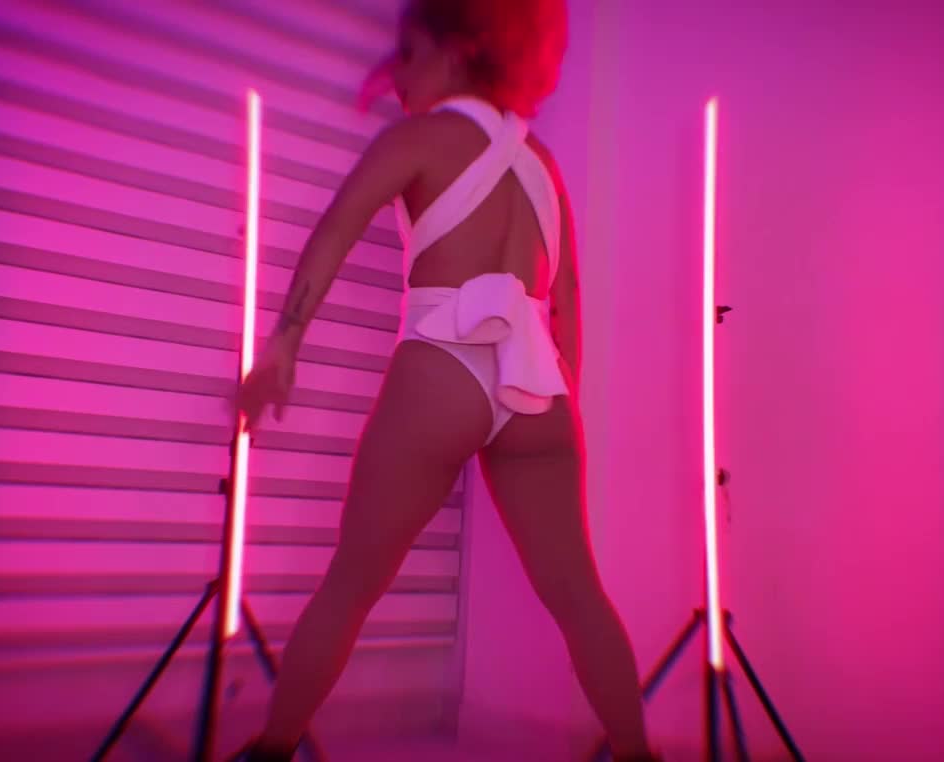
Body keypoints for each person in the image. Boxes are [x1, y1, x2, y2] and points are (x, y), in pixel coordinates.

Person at [235, 1, 660, 759]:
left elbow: (334, 231)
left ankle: (272, 749)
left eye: (408, 52)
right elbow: (566, 298)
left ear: (458, 48)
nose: (396, 75)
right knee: (579, 597)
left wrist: (283, 346)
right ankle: (635, 752)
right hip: (540, 386)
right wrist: (562, 403)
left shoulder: (418, 139)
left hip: (442, 364)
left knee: (351, 585)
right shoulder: (543, 164)